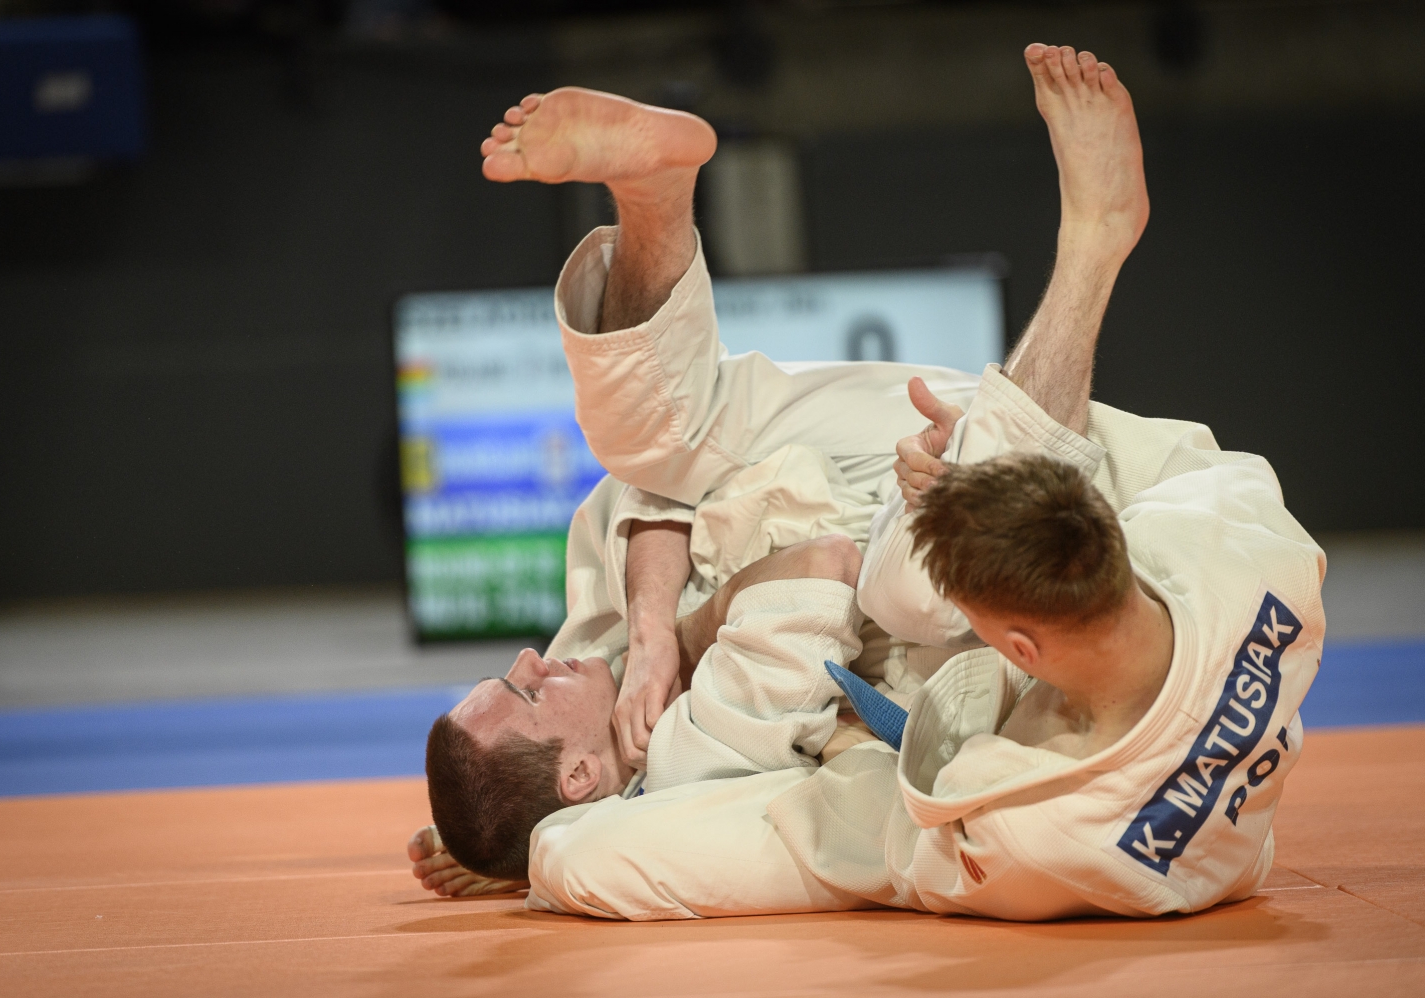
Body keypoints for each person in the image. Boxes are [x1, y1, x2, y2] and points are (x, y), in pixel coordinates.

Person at [465, 42, 1324, 921]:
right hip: (1043, 484)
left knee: (657, 448)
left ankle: (655, 193)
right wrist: (956, 493)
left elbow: (638, 496)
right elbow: (829, 583)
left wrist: (648, 636)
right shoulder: (1033, 816)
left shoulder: (596, 674)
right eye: (525, 691)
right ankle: (1090, 249)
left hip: (925, 486)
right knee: (912, 590)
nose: (529, 661)